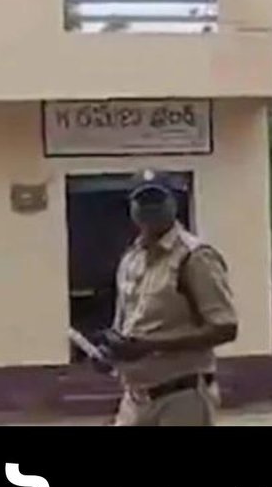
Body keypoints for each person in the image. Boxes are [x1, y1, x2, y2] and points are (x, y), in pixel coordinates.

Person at [97, 171, 238, 426]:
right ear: (132, 209)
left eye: (157, 201)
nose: (150, 209)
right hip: (135, 399)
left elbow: (225, 327)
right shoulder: (132, 258)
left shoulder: (195, 257)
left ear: (174, 204)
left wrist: (151, 345)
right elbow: (130, 327)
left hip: (181, 397)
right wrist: (111, 353)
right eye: (143, 202)